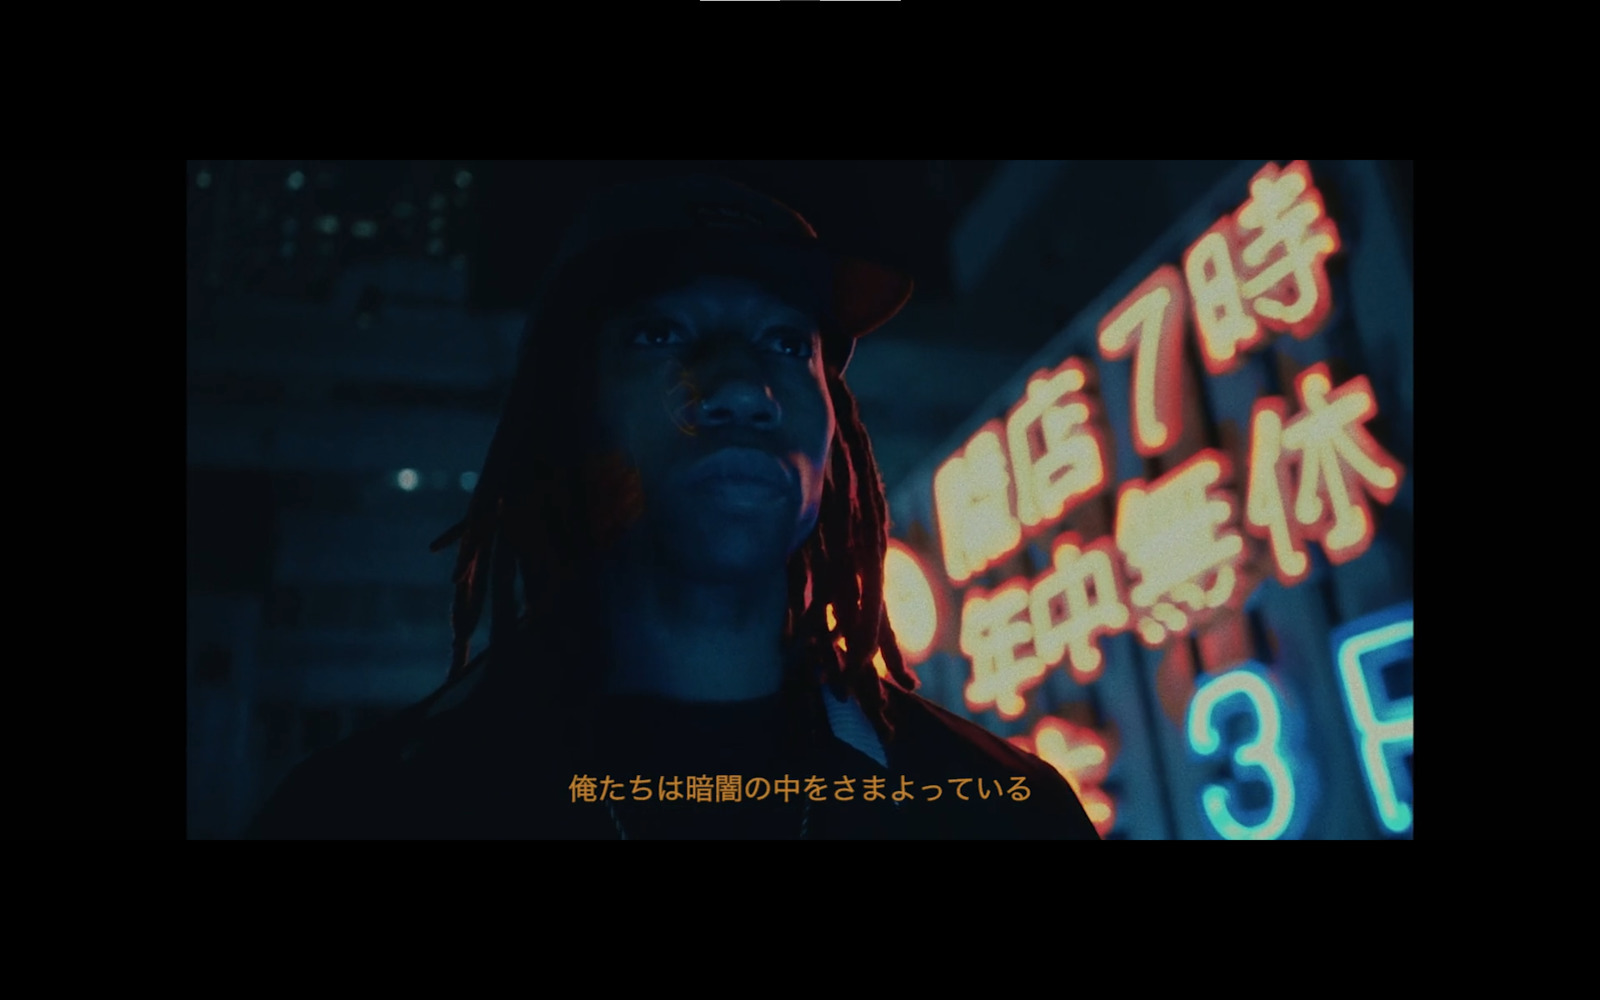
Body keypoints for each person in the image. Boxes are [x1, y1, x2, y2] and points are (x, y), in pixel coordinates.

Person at [248, 173, 1100, 840]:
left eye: (786, 342)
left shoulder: (998, 810)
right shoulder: (368, 814)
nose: (740, 386)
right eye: (660, 334)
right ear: (565, 409)